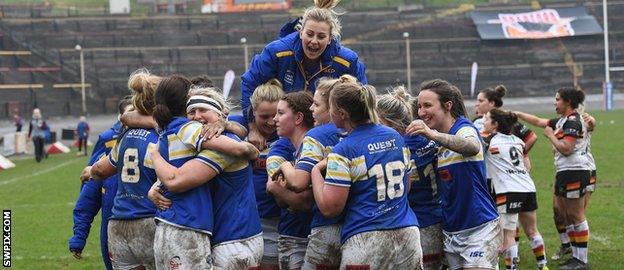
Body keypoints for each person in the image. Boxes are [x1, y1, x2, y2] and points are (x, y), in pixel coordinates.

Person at [149, 85, 263, 269]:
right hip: (229, 237)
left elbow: (177, 181)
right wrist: (155, 187)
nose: (196, 116)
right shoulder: (208, 143)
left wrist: (154, 156)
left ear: (220, 114)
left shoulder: (223, 147)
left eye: (203, 110)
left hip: (233, 240)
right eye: (191, 111)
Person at [311, 81, 421, 269]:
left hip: (366, 238)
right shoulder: (395, 137)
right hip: (408, 235)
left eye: (331, 108)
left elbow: (331, 208)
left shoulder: (343, 149)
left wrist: (315, 171)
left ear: (342, 114)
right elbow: (406, 186)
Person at [405, 79, 501, 270]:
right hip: (451, 230)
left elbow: (473, 146)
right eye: (419, 106)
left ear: (447, 105)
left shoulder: (464, 128)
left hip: (478, 227)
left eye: (427, 105)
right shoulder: (437, 140)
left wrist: (433, 135)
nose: (421, 112)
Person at [273, 76, 354, 269]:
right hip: (356, 225)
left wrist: (284, 166)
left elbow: (298, 182)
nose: (311, 109)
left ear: (333, 108)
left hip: (326, 227)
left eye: (316, 105)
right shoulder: (356, 132)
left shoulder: (316, 136)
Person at [83, 70, 161, 270]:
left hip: (117, 223)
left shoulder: (124, 136)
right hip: (149, 219)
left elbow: (101, 171)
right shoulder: (163, 136)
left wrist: (91, 170)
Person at [240, 0, 367, 123]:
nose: (314, 41)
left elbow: (362, 99)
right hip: (282, 125)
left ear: (330, 39)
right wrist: (252, 125)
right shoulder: (276, 52)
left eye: (321, 36)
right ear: (301, 33)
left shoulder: (347, 61)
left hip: (326, 127)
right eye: (310, 34)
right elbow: (249, 83)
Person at [515, 87, 591, 270]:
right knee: (566, 214)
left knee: (576, 215)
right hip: (565, 172)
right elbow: (539, 121)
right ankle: (575, 256)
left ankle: (581, 261)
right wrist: (518, 114)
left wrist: (550, 137)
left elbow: (566, 148)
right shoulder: (562, 121)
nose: (555, 102)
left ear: (567, 102)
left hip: (575, 170)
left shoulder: (572, 122)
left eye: (557, 99)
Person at [377, 86, 444, 270]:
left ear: (391, 124)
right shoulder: (428, 138)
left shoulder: (393, 147)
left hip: (409, 224)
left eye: (377, 122)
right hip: (437, 219)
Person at [70, 95, 133, 270]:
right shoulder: (108, 140)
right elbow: (88, 195)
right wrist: (79, 236)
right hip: (112, 222)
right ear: (121, 118)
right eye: (130, 114)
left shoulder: (155, 141)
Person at [482, 108, 548, 270]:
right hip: (527, 187)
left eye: (487, 119)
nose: (483, 121)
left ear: (495, 124)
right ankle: (543, 266)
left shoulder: (488, 140)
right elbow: (527, 165)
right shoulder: (517, 140)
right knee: (532, 230)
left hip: (508, 191)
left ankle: (511, 268)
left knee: (508, 236)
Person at [229, 79, 284, 270]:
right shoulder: (237, 126)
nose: (271, 122)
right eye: (264, 116)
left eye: (276, 114)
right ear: (252, 112)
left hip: (275, 220)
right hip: (240, 221)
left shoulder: (286, 130)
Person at [266, 91, 316, 269]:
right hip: (294, 233)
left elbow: (305, 202)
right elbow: (276, 190)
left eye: (280, 113)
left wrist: (287, 169)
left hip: (313, 235)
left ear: (298, 118)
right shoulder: (282, 147)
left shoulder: (316, 146)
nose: (274, 120)